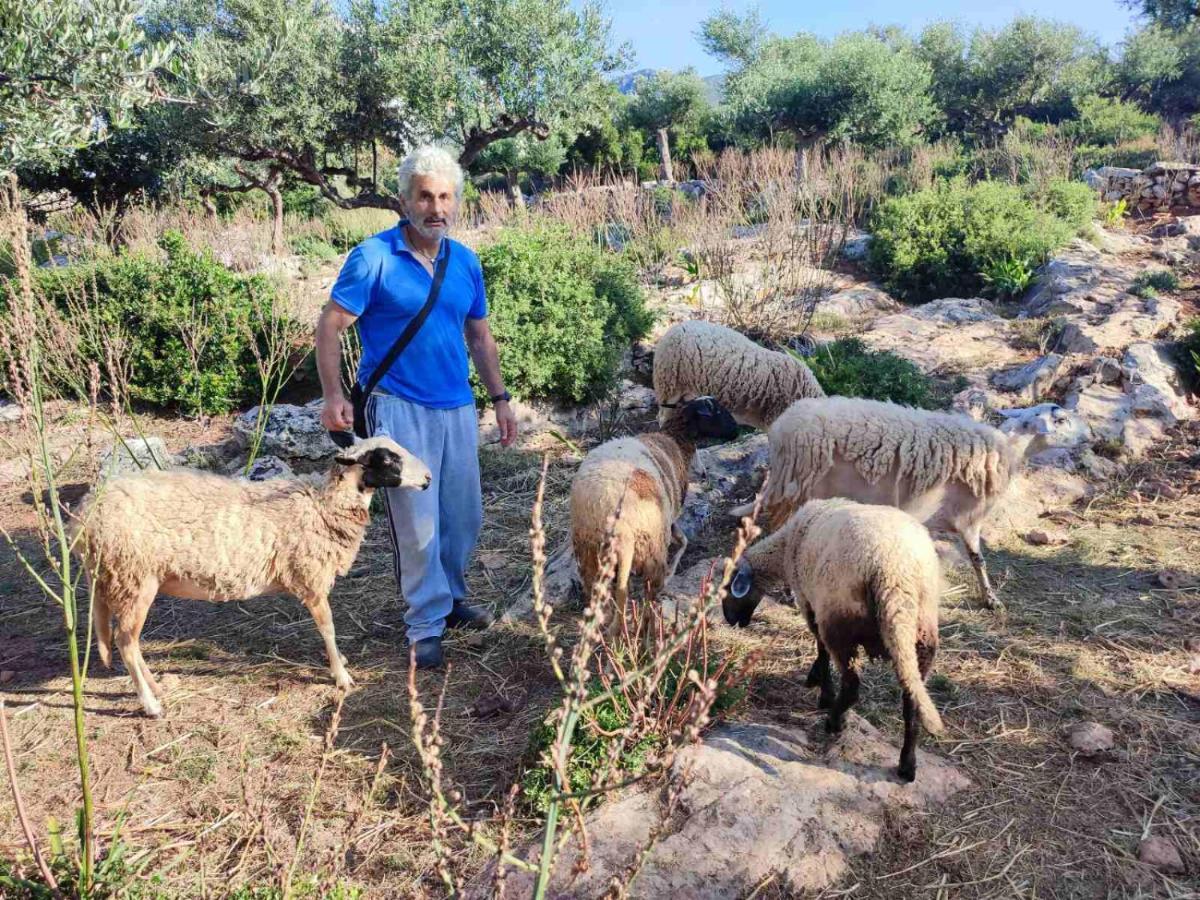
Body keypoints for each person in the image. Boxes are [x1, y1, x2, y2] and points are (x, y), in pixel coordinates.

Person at [315, 145, 517, 669]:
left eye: (446, 197)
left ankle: (450, 598)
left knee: (463, 516)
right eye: (425, 196)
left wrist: (500, 399)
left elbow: (480, 336)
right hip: (396, 407)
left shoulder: (465, 261)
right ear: (405, 200)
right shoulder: (373, 257)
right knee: (417, 522)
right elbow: (330, 325)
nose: (436, 208)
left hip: (456, 407)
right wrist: (334, 395)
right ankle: (425, 623)